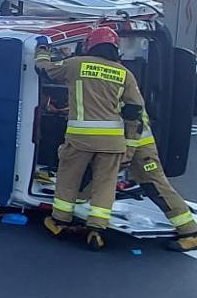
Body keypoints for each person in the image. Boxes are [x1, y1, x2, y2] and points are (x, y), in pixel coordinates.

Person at [34, 25, 143, 251]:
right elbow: (134, 110)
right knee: (105, 184)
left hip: (80, 138)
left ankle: (59, 222)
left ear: (89, 45)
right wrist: (130, 145)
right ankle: (97, 230)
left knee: (68, 178)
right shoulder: (124, 74)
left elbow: (44, 70)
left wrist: (42, 49)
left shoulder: (77, 64)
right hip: (112, 141)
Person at [124, 102, 197, 252]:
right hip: (125, 144)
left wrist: (128, 152)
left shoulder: (121, 83)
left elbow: (134, 117)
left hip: (139, 148)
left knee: (155, 186)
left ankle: (190, 232)